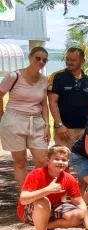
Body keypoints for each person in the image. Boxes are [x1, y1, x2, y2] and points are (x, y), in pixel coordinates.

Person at [17, 145, 88, 230]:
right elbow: (23, 199)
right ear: (48, 161)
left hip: (52, 209)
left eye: (64, 160)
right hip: (30, 211)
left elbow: (80, 203)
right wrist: (47, 190)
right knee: (43, 201)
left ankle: (48, 227)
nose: (60, 162)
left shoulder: (68, 178)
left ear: (67, 163)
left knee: (78, 214)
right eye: (56, 159)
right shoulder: (37, 174)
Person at [1, 46, 50, 189]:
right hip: (14, 120)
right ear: (30, 57)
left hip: (36, 121)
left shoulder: (44, 80)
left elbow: (44, 104)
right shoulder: (13, 76)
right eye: (38, 58)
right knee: (20, 162)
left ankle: (36, 190)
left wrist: (47, 125)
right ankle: (25, 196)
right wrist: (3, 118)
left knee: (42, 161)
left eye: (44, 60)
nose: (41, 62)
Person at [48, 47, 88, 148]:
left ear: (82, 61)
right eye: (67, 59)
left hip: (85, 129)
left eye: (73, 60)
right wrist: (60, 125)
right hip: (65, 130)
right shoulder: (58, 77)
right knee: (63, 160)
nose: (69, 62)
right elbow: (52, 102)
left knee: (83, 160)